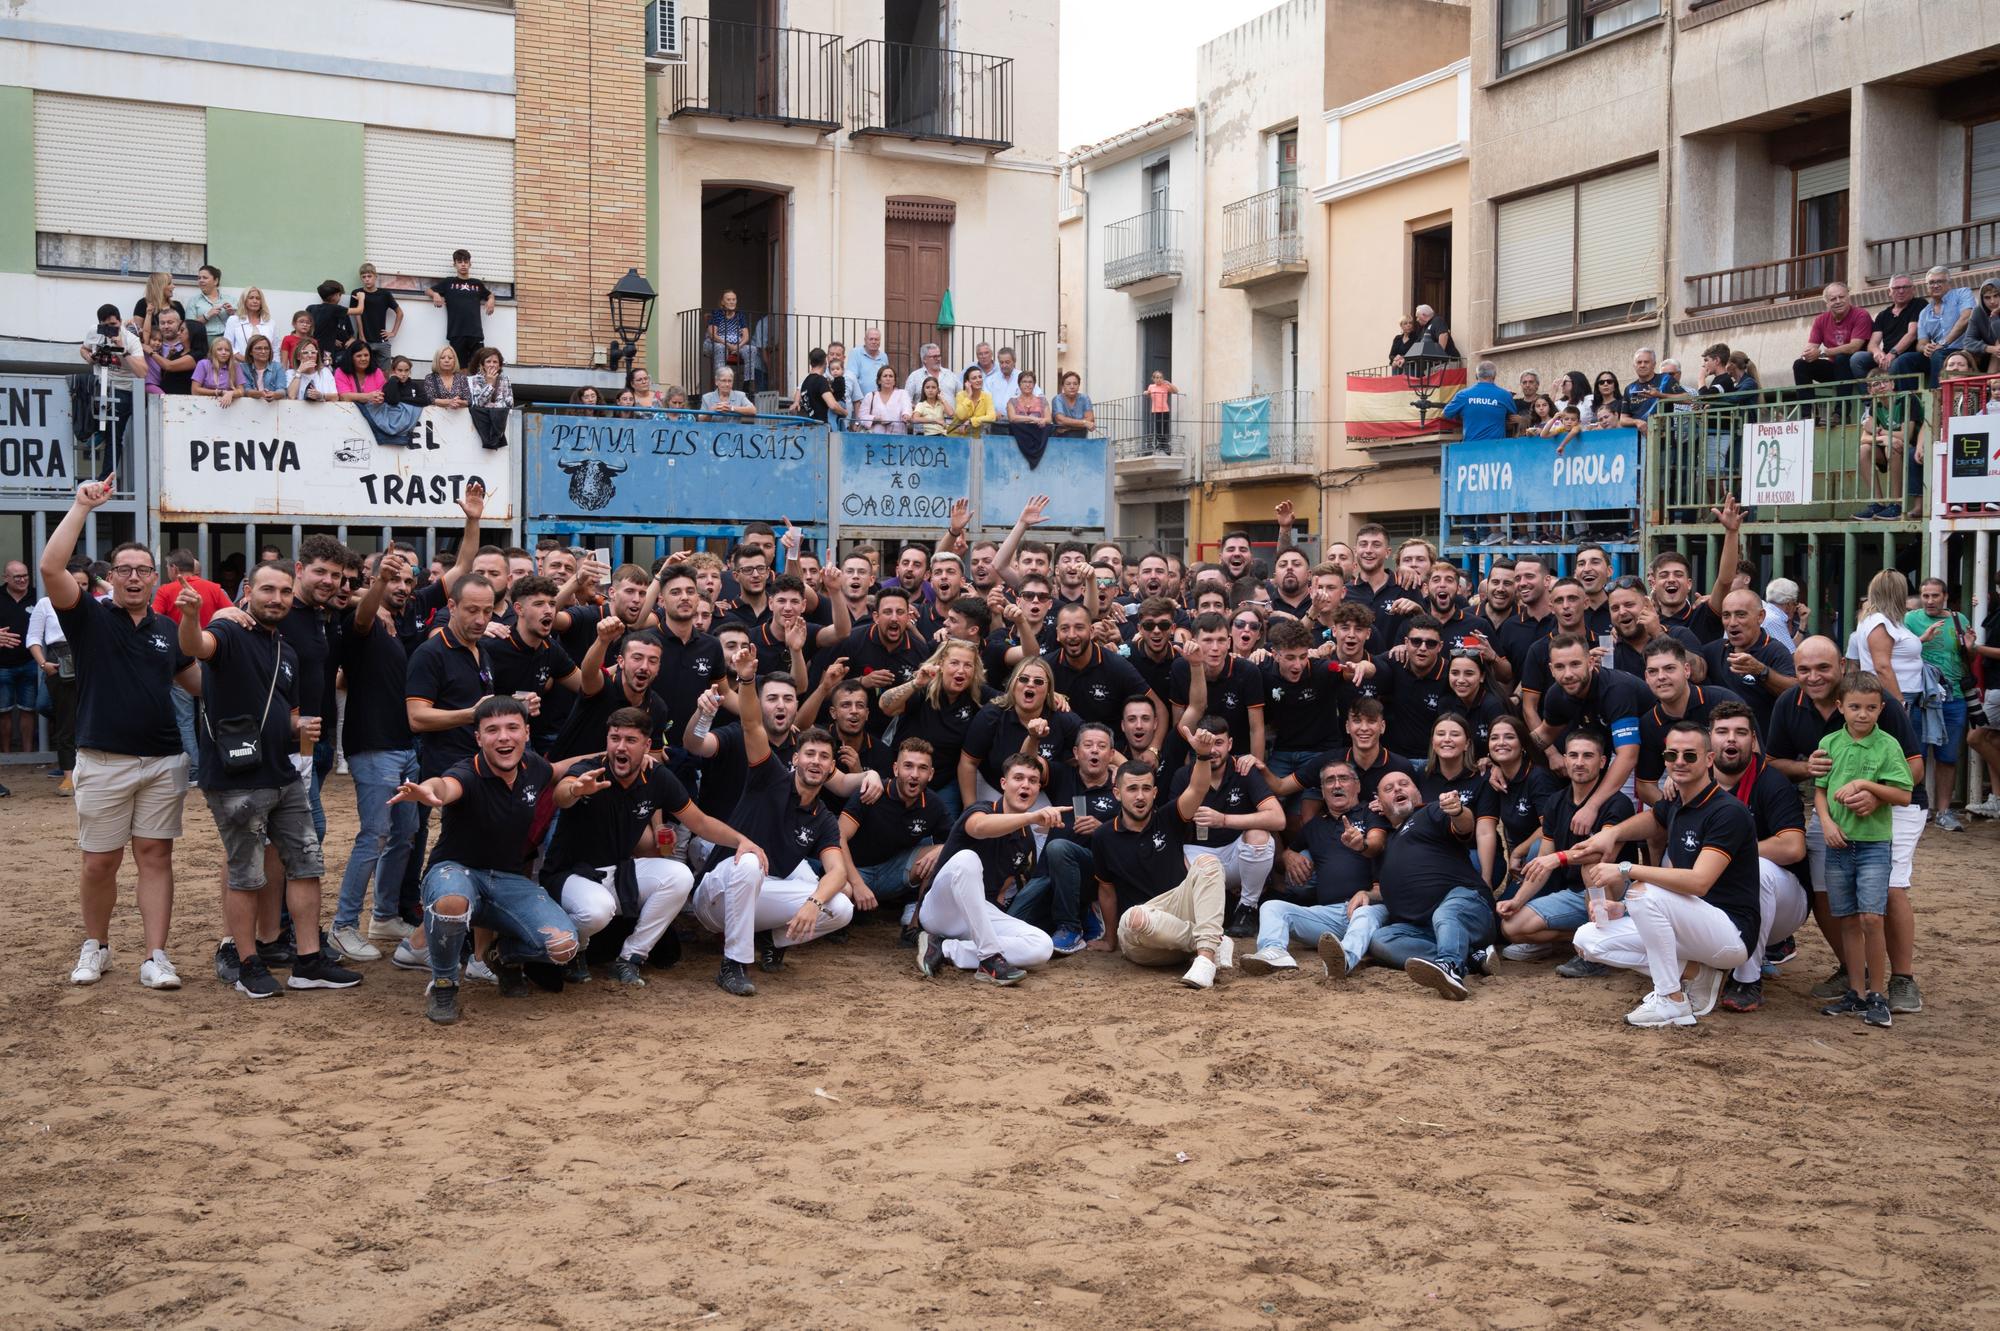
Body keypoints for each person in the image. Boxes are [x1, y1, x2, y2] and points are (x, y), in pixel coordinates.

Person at [177, 562, 360, 999]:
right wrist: (192, 614)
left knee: (307, 865)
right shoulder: (228, 634)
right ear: (248, 592)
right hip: (237, 779)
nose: (276, 599)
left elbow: (292, 714)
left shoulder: (288, 651)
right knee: (246, 873)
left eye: (282, 592)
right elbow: (196, 646)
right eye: (267, 590)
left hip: (284, 774)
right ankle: (247, 963)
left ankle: (309, 963)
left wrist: (301, 730)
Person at [43, 477, 198, 988]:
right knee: (99, 863)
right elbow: (50, 567)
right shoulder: (89, 618)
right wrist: (81, 506)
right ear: (110, 577)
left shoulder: (166, 630)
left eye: (143, 571)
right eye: (124, 570)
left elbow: (197, 683)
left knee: (156, 857)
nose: (134, 578)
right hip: (102, 759)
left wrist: (232, 642)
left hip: (162, 761)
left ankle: (156, 955)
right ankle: (97, 945)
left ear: (157, 579)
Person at [389, 697, 592, 1024]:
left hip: (506, 883)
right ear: (479, 738)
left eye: (512, 728)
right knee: (452, 900)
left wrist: (602, 756)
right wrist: (428, 791)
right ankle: (445, 985)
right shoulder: (466, 773)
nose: (504, 737)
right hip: (455, 873)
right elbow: (445, 786)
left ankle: (503, 957)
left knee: (564, 946)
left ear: (526, 732)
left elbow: (556, 771)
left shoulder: (533, 767)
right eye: (492, 730)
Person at [1765, 635, 1926, 1016]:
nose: (1813, 676)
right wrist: (1805, 769)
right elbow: (1773, 762)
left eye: (1823, 668)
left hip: (1896, 805)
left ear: (1842, 667)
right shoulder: (1790, 702)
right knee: (1824, 888)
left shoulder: (1871, 699)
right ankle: (1855, 972)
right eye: (1803, 669)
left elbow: (1916, 768)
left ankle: (1902, 978)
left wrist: (1877, 794)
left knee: (1889, 887)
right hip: (1834, 805)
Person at [545, 706, 763, 985]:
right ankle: (576, 947)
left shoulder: (656, 777)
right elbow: (560, 795)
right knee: (598, 910)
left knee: (679, 875)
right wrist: (576, 790)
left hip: (618, 873)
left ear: (647, 746)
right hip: (569, 875)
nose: (620, 747)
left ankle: (630, 957)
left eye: (630, 740)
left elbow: (701, 823)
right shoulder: (590, 769)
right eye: (615, 738)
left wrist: (742, 840)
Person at [1567, 720, 1761, 1027]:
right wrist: (1611, 838)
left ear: (1710, 760)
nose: (1679, 762)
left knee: (1642, 889)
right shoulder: (1676, 802)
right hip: (1691, 927)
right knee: (1588, 939)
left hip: (1730, 933)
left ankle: (1670, 998)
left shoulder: (1727, 811)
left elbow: (1699, 882)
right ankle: (1697, 974)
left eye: (1690, 755)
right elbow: (1651, 821)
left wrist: (1625, 869)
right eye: (1672, 755)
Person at [692, 643, 854, 995]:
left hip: (758, 894)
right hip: (716, 895)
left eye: (824, 757)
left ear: (830, 769)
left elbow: (838, 871)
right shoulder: (769, 775)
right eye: (809, 753)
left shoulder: (822, 817)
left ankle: (774, 941)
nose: (816, 761)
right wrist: (747, 680)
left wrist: (813, 904)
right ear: (795, 760)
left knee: (840, 906)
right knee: (750, 863)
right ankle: (733, 964)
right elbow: (751, 724)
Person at [1812, 673, 1912, 1028]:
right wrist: (1825, 822)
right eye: (1854, 707)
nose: (1863, 715)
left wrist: (1867, 784)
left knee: (1872, 916)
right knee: (1849, 919)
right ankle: (1855, 992)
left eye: (1871, 708)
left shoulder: (1888, 746)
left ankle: (1878, 994)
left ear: (1881, 709)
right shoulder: (1829, 742)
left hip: (1873, 844)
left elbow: (1904, 794)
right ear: (1840, 707)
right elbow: (1820, 790)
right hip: (1838, 842)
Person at [914, 751, 1059, 986]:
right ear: (1004, 783)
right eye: (1018, 778)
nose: (1026, 785)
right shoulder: (982, 809)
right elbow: (979, 828)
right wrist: (1031, 818)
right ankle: (989, 959)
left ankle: (947, 948)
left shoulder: (1026, 839)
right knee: (968, 859)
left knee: (1042, 945)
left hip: (977, 915)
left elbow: (1004, 889)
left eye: (1033, 781)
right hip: (941, 910)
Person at [1240, 756, 1388, 982]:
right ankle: (1275, 952)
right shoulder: (1315, 825)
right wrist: (1288, 855)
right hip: (1329, 916)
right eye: (1329, 781)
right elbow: (1285, 855)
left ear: (1357, 785)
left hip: (1370, 904)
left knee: (1364, 915)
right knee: (1272, 907)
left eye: (1343, 779)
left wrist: (1362, 844)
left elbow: (1377, 843)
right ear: (1322, 790)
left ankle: (1343, 960)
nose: (1336, 785)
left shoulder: (1371, 813)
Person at [1498, 727, 1637, 961]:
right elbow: (1542, 864)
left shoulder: (1617, 803)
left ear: (1602, 762)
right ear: (1565, 759)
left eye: (1588, 756)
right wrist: (1517, 900)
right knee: (1511, 927)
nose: (1579, 762)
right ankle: (1592, 936)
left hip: (1616, 891)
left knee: (1592, 869)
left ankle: (1597, 951)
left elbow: (1604, 855)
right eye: (1573, 755)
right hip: (1575, 893)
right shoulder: (1556, 801)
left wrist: (1558, 858)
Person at [1707, 701, 1810, 1013]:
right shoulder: (1692, 779)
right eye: (1722, 732)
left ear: (1754, 741)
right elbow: (1658, 821)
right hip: (1721, 898)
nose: (1731, 740)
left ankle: (1748, 979)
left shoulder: (1772, 782)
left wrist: (1730, 853)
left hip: (1784, 903)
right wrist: (1612, 834)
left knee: (1759, 868)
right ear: (1708, 739)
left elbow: (1794, 848)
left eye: (1740, 732)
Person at [1172, 714, 1283, 936]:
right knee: (1172, 855)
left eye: (1219, 743)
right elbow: (1170, 828)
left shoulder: (1243, 770)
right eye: (1207, 743)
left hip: (1235, 855)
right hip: (1197, 857)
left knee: (1259, 836)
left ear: (1230, 744)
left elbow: (1278, 819)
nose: (1212, 750)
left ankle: (1247, 908)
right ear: (1196, 743)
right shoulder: (1184, 775)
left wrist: (1223, 820)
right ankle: (1212, 911)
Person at [1906, 577, 1973, 831]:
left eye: (1935, 596)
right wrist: (1921, 639)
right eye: (1926, 596)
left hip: (1953, 696)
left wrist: (1971, 647)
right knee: (1916, 755)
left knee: (1947, 757)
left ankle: (1944, 811)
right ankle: (1918, 809)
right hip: (1921, 696)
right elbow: (1900, 651)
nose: (1930, 601)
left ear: (1944, 596)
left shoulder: (1959, 619)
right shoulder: (1911, 620)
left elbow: (1967, 654)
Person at [1791, 282, 1873, 392]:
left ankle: (1841, 408)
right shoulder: (1820, 320)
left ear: (1848, 297)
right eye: (1833, 299)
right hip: (1836, 369)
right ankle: (1806, 409)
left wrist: (1821, 353)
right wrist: (1807, 355)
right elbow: (1811, 347)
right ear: (1827, 303)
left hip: (1859, 367)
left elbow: (1854, 347)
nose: (1838, 301)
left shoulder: (1861, 315)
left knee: (1842, 357)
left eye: (1841, 297)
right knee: (1800, 364)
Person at [430, 248, 495, 370]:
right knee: (460, 368)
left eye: (466, 261)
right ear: (454, 264)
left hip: (475, 333)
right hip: (456, 332)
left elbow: (489, 294)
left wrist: (491, 300)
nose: (463, 264)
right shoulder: (449, 282)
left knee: (479, 368)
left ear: (470, 264)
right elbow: (428, 290)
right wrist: (435, 294)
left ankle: (477, 389)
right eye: (459, 262)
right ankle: (463, 389)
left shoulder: (477, 284)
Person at [1915, 265, 1977, 384]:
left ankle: (1938, 396)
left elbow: (1966, 318)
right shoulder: (1924, 312)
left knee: (1938, 354)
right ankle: (1911, 401)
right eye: (1931, 282)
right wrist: (1925, 348)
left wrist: (1943, 343)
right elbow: (1920, 343)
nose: (1936, 285)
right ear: (1927, 287)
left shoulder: (1962, 293)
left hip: (1963, 349)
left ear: (1949, 283)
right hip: (1937, 353)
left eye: (1940, 281)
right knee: (1904, 361)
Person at [1440, 360, 1513, 440]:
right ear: (1494, 376)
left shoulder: (1463, 395)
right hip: (1496, 448)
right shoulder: (1505, 395)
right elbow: (1514, 418)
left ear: (1476, 376)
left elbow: (1444, 414)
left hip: (1471, 448)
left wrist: (1462, 415)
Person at [702, 290, 758, 391]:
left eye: (734, 299)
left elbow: (746, 336)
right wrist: (729, 345)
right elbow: (713, 334)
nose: (732, 302)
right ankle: (720, 384)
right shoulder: (717, 314)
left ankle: (748, 385)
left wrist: (737, 347)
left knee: (752, 349)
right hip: (716, 344)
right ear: (722, 302)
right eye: (728, 299)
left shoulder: (739, 315)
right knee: (721, 348)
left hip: (736, 345)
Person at [347, 262, 402, 365]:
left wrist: (393, 332)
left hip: (382, 341)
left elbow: (400, 313)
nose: (367, 279)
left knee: (384, 373)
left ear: (375, 276)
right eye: (364, 277)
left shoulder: (385, 294)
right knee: (365, 371)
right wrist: (362, 336)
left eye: (369, 276)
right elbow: (357, 315)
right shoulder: (357, 293)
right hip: (365, 341)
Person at [467, 346, 513, 449]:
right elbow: (477, 404)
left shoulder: (505, 379)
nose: (492, 365)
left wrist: (490, 406)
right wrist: (490, 385)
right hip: (478, 431)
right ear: (482, 365)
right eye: (488, 361)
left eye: (495, 362)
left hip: (501, 426)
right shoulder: (473, 380)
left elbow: (509, 404)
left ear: (500, 365)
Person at [797, 346, 848, 425]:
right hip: (823, 428)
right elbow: (833, 405)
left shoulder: (805, 382)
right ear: (825, 361)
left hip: (811, 425)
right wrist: (845, 412)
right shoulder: (821, 380)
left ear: (811, 363)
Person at [855, 364, 911, 433]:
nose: (888, 379)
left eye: (891, 376)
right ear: (879, 381)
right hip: (875, 438)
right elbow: (861, 417)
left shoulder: (902, 394)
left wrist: (906, 415)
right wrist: (875, 419)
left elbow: (907, 407)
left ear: (894, 381)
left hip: (897, 438)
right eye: (885, 376)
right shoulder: (870, 396)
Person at [222, 286, 273, 359]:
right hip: (240, 365)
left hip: (265, 366)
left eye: (258, 298)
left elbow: (274, 348)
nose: (255, 301)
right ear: (244, 301)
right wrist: (243, 359)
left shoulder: (270, 322)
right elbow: (227, 344)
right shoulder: (233, 320)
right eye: (251, 298)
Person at [951, 367, 997, 435]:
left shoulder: (987, 396)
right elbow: (961, 416)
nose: (978, 380)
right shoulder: (960, 395)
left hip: (976, 437)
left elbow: (992, 417)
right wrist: (969, 396)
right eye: (974, 378)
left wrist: (971, 421)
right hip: (958, 436)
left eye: (980, 377)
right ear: (967, 382)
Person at [424, 345, 471, 409]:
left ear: (454, 361)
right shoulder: (430, 378)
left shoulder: (462, 378)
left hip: (459, 415)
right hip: (436, 415)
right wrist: (448, 402)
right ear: (437, 360)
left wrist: (458, 402)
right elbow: (429, 399)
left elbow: (469, 401)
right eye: (442, 358)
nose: (446, 360)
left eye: (450, 358)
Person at [1052, 370, 1095, 436]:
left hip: (1081, 438)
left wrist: (1068, 426)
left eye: (1075, 384)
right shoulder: (1058, 399)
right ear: (1063, 386)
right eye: (1068, 384)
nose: (1072, 387)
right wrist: (1084, 422)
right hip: (1061, 438)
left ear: (1078, 386)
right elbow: (1060, 420)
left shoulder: (1084, 398)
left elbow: (1090, 420)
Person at [1144, 370, 1178, 448]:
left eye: (1160, 377)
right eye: (1157, 377)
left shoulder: (1165, 386)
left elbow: (1176, 391)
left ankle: (1163, 445)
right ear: (1153, 379)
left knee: (1165, 428)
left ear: (1162, 378)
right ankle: (1161, 444)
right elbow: (1147, 392)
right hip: (1155, 411)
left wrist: (1169, 383)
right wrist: (1145, 392)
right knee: (1158, 429)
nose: (1159, 379)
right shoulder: (1151, 386)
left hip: (1165, 410)